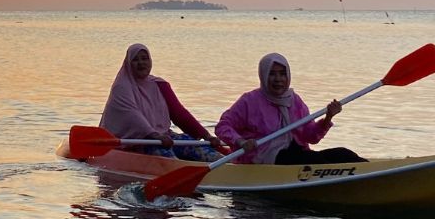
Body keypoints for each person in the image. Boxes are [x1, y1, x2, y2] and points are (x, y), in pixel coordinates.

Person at [216, 53, 367, 165]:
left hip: (297, 153)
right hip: (264, 158)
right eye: (272, 74)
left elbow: (311, 137)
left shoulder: (294, 101)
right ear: (264, 76)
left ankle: (372, 172)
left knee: (343, 154)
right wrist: (241, 141)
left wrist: (328, 117)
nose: (278, 79)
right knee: (312, 160)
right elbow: (222, 126)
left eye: (282, 74)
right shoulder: (249, 101)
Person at [100, 43, 230, 161]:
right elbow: (132, 115)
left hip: (164, 137)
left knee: (196, 147)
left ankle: (226, 163)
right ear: (128, 64)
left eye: (144, 59)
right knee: (167, 155)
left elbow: (180, 114)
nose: (141, 63)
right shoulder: (121, 87)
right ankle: (179, 168)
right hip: (138, 142)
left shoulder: (159, 84)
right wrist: (154, 135)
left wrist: (206, 136)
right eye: (135, 60)